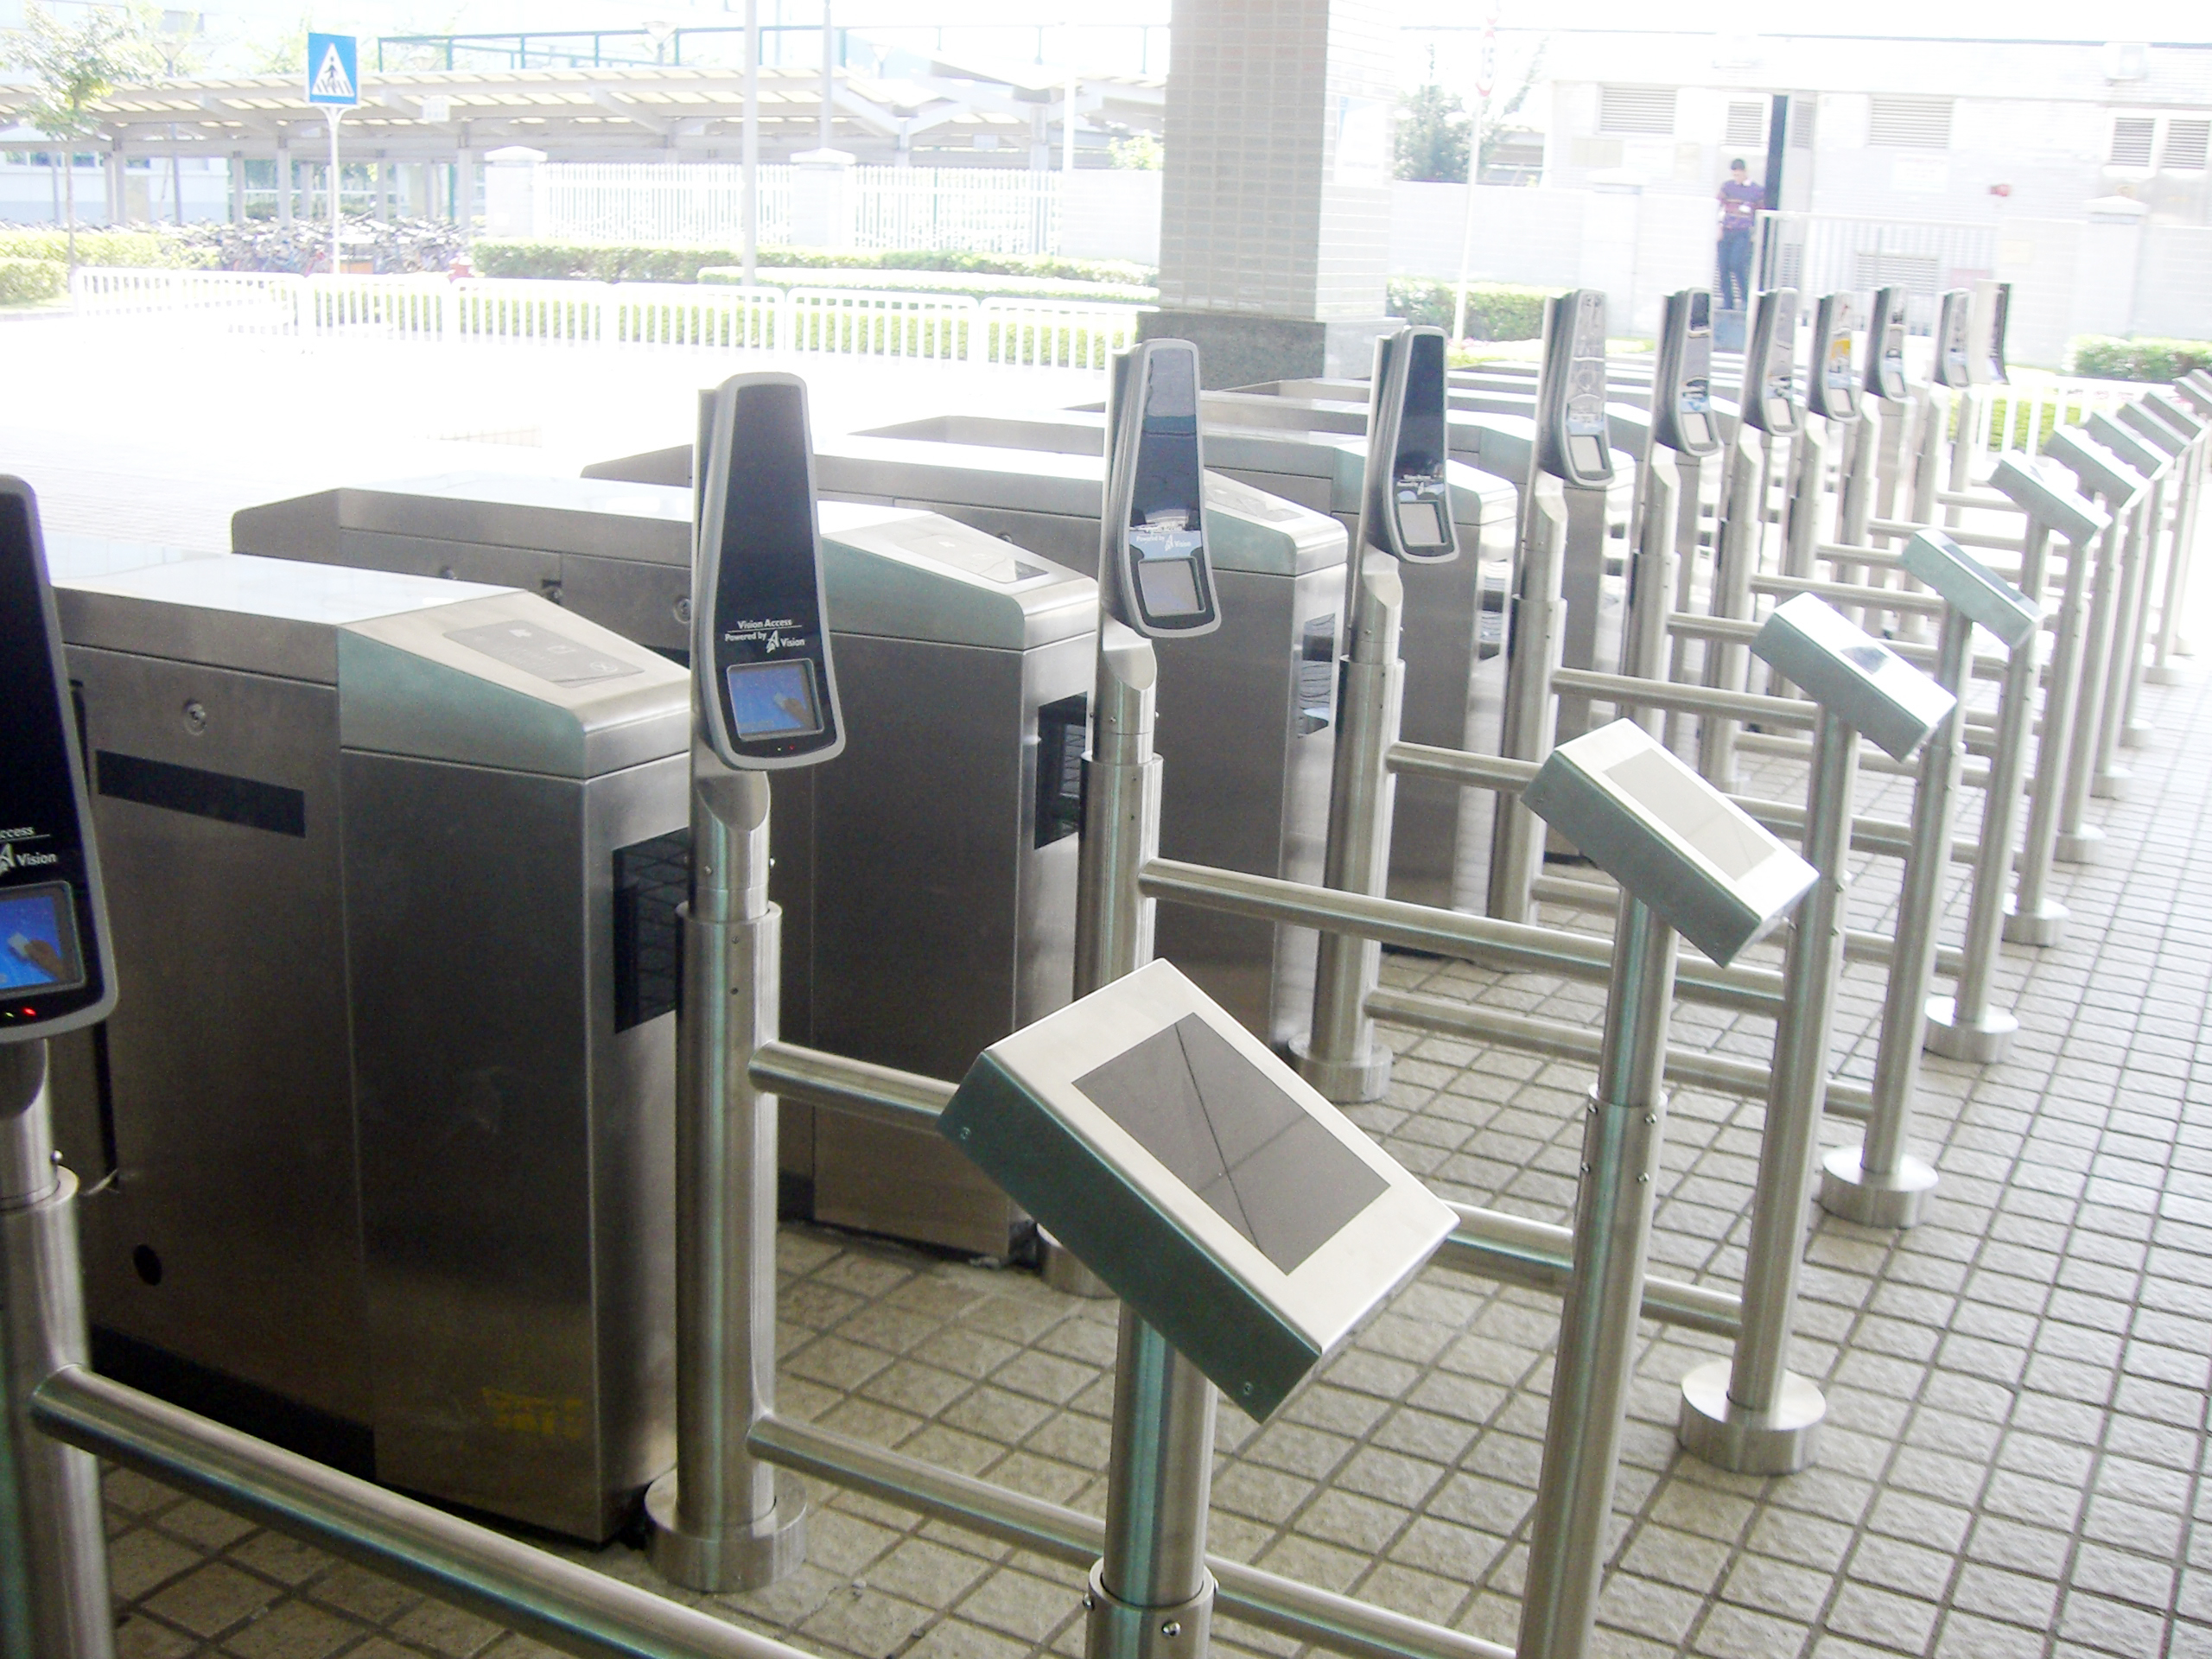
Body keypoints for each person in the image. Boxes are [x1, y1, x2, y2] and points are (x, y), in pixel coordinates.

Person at [1716, 158, 1762, 311]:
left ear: (1745, 172)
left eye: (1738, 174)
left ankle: (1745, 298)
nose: (1736, 178)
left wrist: (1755, 232)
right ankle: (1727, 301)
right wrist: (1718, 227)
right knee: (1723, 267)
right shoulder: (1727, 187)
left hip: (1742, 231)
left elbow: (1760, 213)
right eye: (1734, 175)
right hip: (1726, 230)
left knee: (1737, 264)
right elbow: (1718, 207)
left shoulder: (1756, 190)